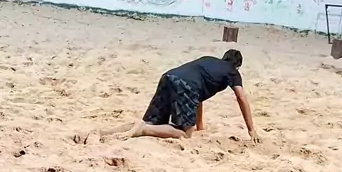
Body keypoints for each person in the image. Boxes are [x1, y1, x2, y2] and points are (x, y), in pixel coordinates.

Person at [100, 49, 260, 143]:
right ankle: (144, 130)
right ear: (237, 66)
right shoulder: (232, 72)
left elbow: (198, 98)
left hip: (169, 76)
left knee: (153, 120)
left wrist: (200, 126)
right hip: (186, 86)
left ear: (223, 57)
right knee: (185, 134)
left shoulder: (208, 60)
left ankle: (107, 133)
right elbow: (241, 98)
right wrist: (251, 130)